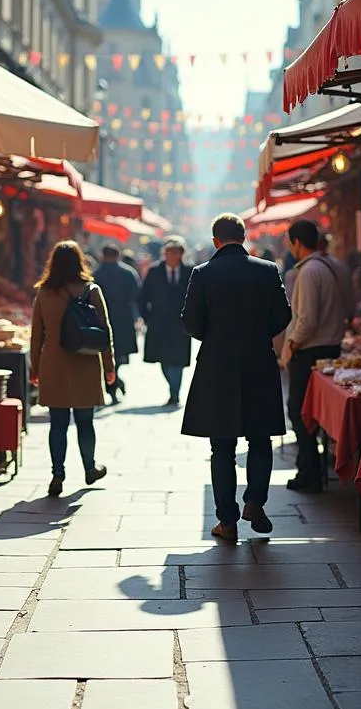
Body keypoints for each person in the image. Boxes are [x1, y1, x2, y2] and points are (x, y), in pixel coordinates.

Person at [181, 213, 292, 541]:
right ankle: (255, 501)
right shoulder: (267, 270)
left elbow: (190, 321)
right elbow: (283, 315)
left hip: (217, 364)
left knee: (222, 445)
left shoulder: (203, 273)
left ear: (216, 240)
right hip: (258, 360)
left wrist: (215, 338)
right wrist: (259, 334)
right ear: (242, 238)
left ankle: (226, 521)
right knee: (260, 438)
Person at [30, 240, 115, 498]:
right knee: (85, 421)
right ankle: (90, 468)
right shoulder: (91, 290)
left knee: (57, 423)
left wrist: (35, 368)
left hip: (54, 363)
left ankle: (58, 474)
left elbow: (36, 335)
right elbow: (105, 331)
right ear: (80, 261)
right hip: (85, 363)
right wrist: (110, 366)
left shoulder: (44, 293)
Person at [280, 219, 348, 494]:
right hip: (326, 348)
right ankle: (310, 467)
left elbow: (306, 319)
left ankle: (308, 471)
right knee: (307, 412)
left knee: (299, 410)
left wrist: (291, 345)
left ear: (297, 242)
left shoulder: (309, 272)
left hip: (311, 351)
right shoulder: (326, 266)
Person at [141, 236, 194, 407]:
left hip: (181, 324)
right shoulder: (154, 271)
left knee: (178, 360)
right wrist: (147, 318)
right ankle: (173, 388)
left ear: (181, 254)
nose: (173, 255)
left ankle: (175, 393)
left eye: (177, 252)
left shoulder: (189, 272)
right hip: (159, 323)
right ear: (165, 253)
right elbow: (143, 296)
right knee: (163, 359)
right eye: (170, 252)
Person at [93, 243, 141, 403]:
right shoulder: (128, 273)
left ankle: (114, 385)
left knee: (104, 356)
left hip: (100, 320)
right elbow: (136, 296)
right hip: (123, 319)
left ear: (103, 255)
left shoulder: (95, 274)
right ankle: (115, 383)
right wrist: (137, 317)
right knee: (118, 356)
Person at [318, 233, 356, 326]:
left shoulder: (311, 269)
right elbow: (349, 297)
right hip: (340, 323)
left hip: (323, 329)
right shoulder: (340, 266)